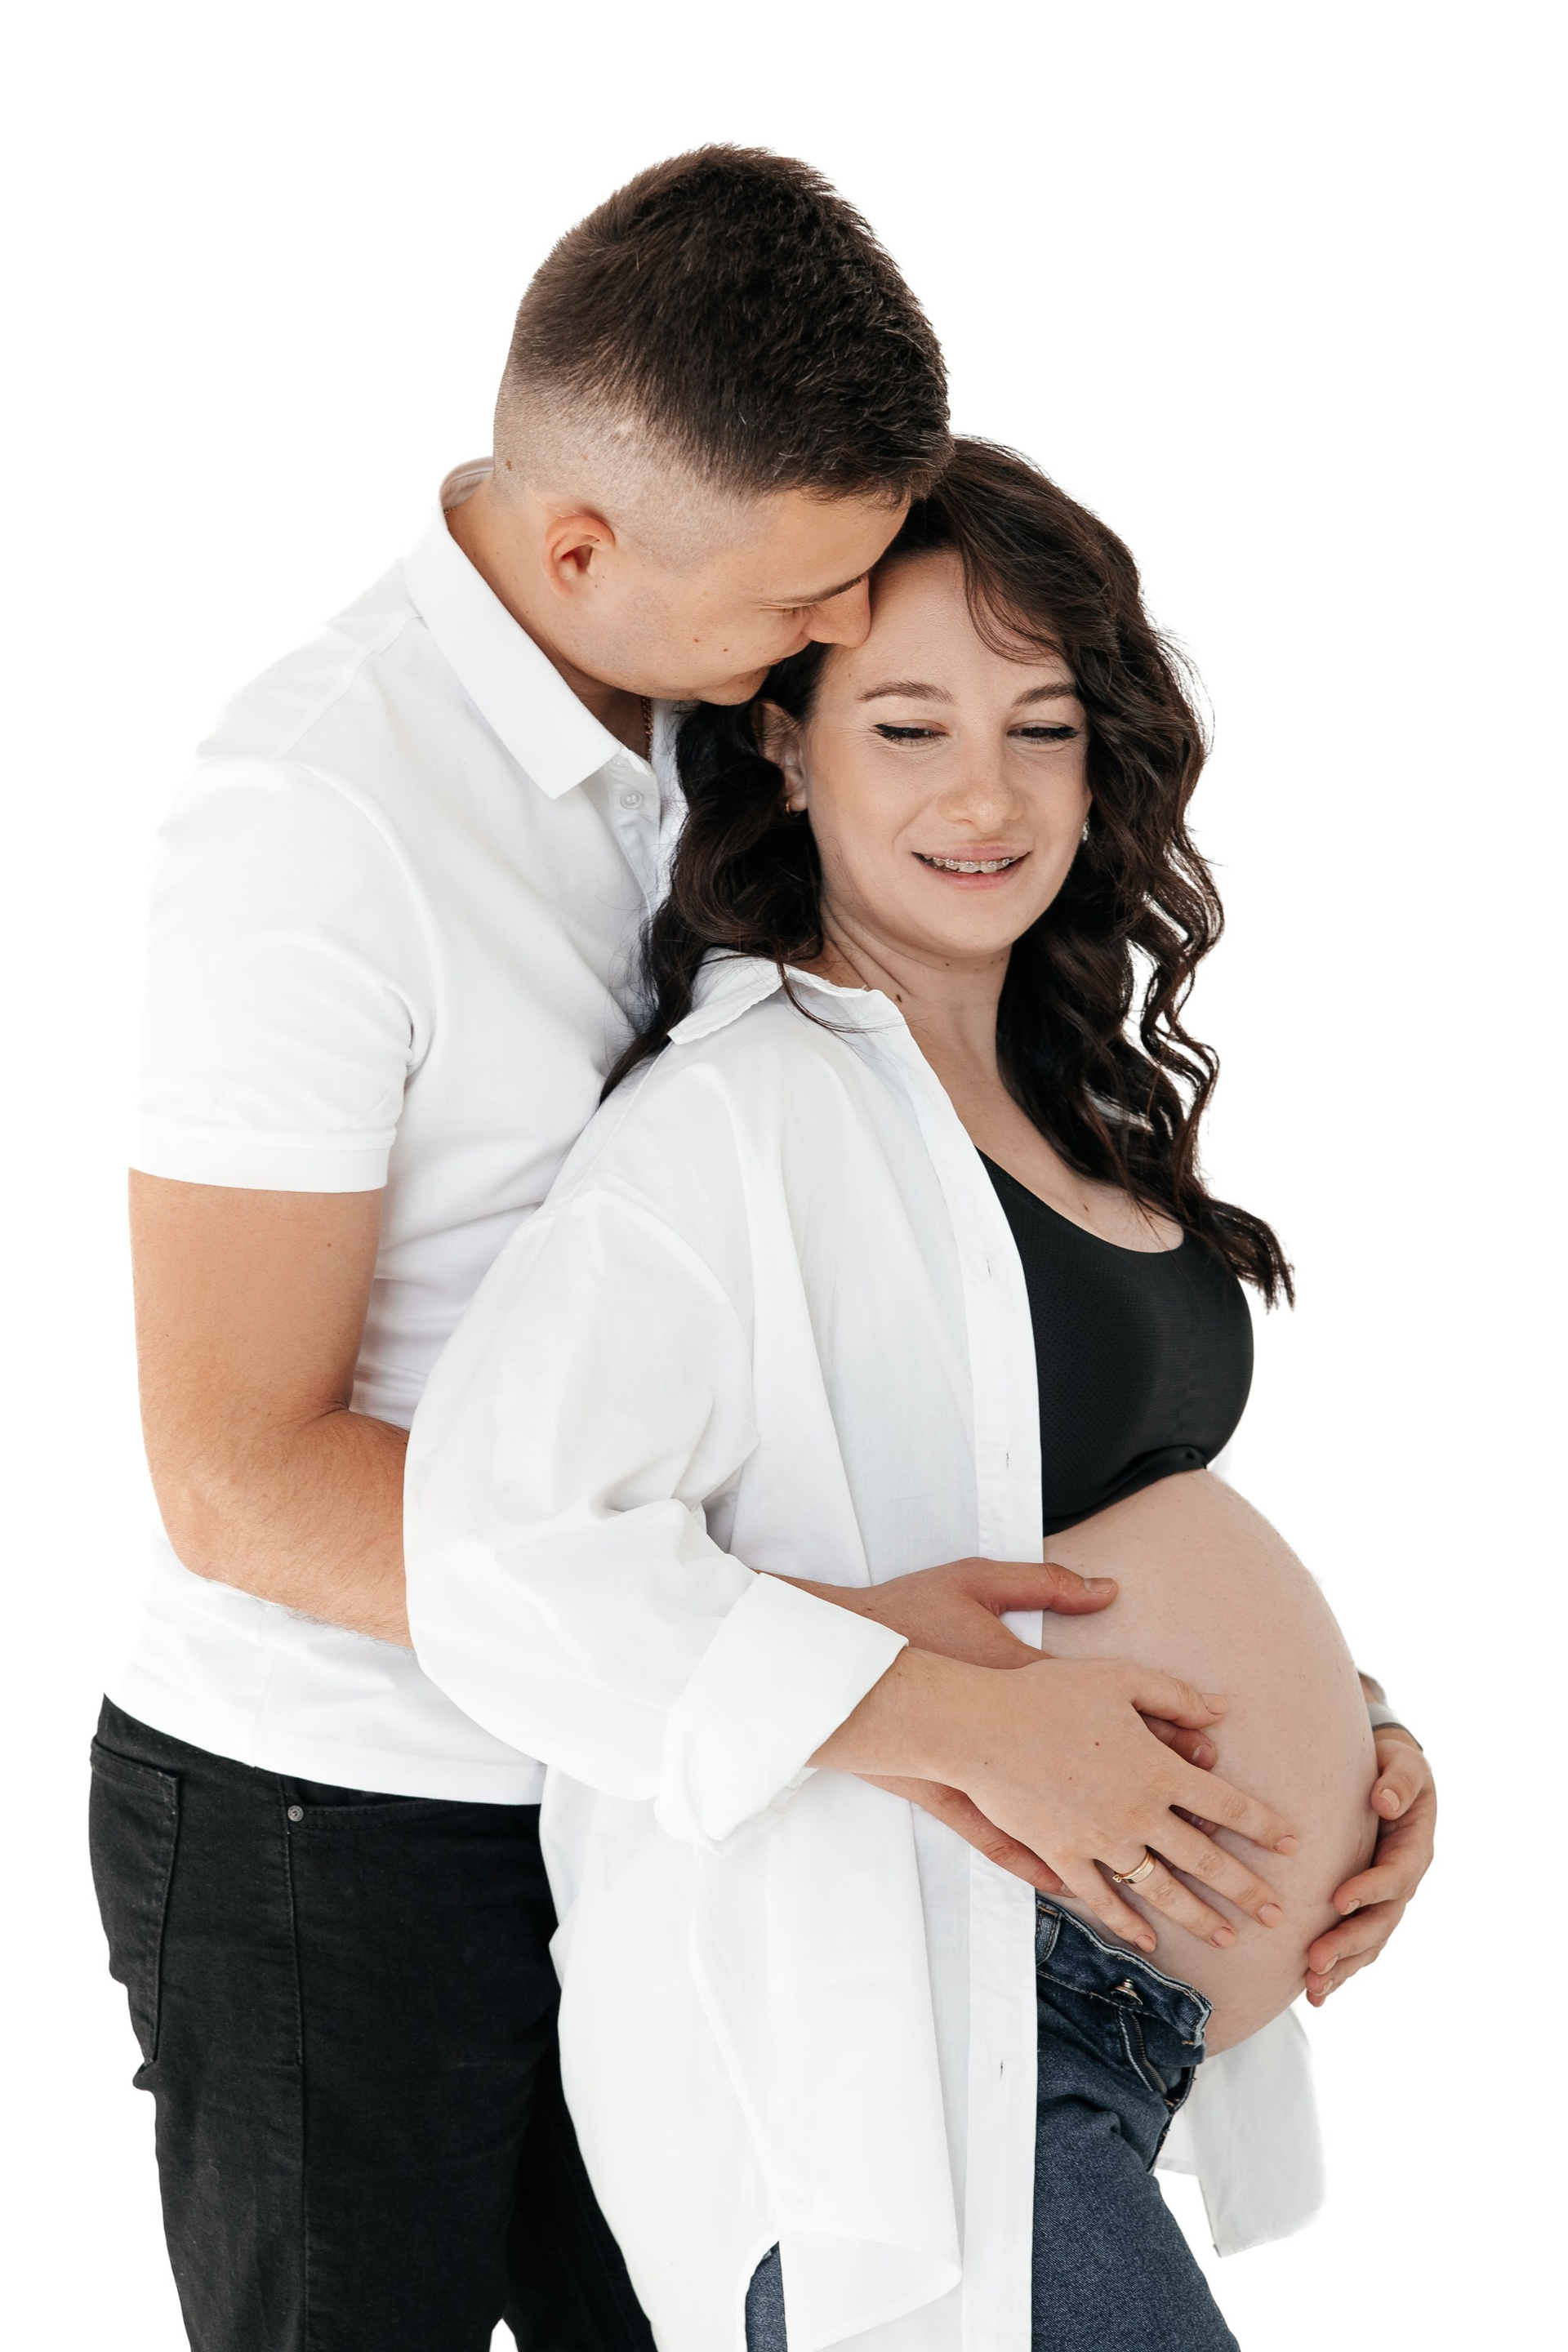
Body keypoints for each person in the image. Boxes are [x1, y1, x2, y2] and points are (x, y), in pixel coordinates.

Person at [404, 442, 1438, 2351]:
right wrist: (959, 1721)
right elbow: (492, 1561)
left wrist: (1349, 1748)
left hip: (1091, 2046)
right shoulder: (726, 1129)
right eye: (909, 726)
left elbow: (1050, 1511)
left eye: (1045, 728)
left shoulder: (1078, 1103)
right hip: (898, 2079)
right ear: (786, 746)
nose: (987, 794)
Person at [91, 147, 957, 2352]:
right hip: (341, 1830)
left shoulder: (704, 708)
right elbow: (236, 1476)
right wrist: (809, 1653)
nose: (843, 639)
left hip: (654, 1793)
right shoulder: (315, 821)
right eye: (800, 598)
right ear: (581, 549)